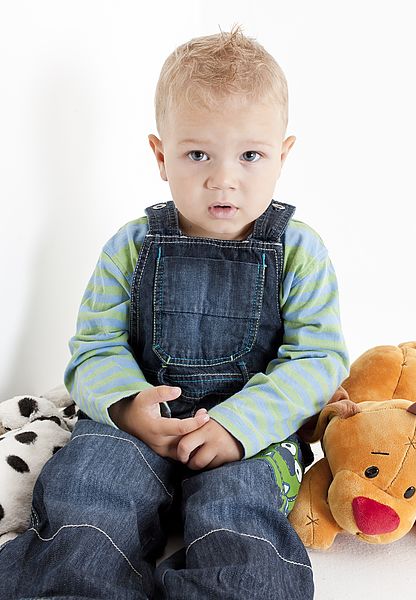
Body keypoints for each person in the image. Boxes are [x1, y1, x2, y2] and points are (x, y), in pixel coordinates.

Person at [0, 26, 349, 600]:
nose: (224, 177)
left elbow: (317, 360)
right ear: (161, 155)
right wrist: (126, 406)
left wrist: (239, 427)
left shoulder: (299, 251)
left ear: (283, 155)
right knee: (89, 486)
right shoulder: (132, 247)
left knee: (238, 509)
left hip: (250, 435)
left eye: (250, 155)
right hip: (139, 430)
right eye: (197, 154)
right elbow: (95, 347)